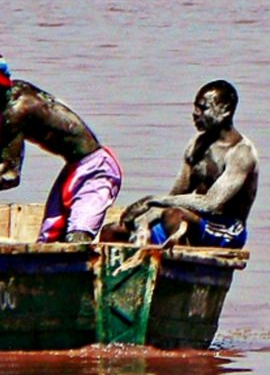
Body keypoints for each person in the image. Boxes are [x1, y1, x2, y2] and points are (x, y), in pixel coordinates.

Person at [0, 49, 122, 243]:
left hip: (97, 169)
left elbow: (9, 177)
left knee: (77, 239)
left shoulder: (17, 110)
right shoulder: (13, 97)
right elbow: (0, 153)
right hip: (74, 168)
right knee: (49, 241)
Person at [101, 80, 258, 249]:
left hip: (226, 229)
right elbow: (177, 194)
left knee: (173, 215)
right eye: (195, 108)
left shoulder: (242, 152)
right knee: (114, 231)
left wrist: (152, 201)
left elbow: (210, 203)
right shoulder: (196, 145)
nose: (195, 114)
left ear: (225, 110)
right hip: (189, 221)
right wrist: (143, 222)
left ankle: (173, 266)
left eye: (203, 108)